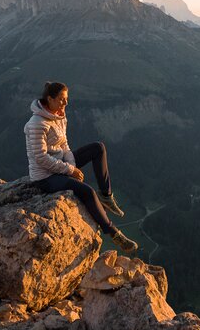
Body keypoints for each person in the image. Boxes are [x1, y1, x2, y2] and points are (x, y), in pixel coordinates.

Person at [24, 81, 138, 253]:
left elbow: (65, 145)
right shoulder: (37, 124)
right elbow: (40, 158)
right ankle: (113, 233)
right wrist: (70, 170)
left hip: (61, 165)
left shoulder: (59, 116)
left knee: (98, 148)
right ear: (50, 98)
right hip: (45, 177)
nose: (66, 103)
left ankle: (106, 196)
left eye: (66, 99)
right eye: (62, 99)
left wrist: (71, 165)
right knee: (87, 191)